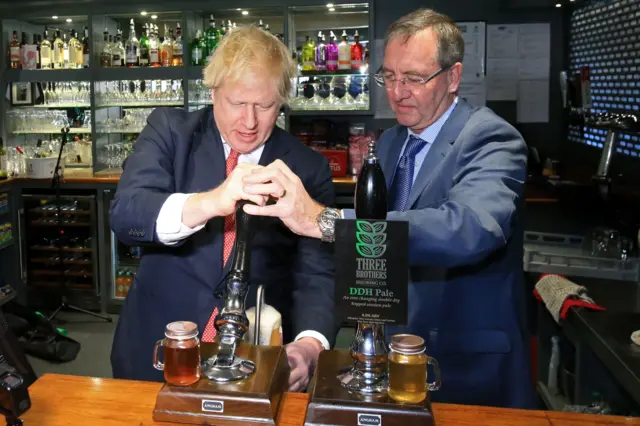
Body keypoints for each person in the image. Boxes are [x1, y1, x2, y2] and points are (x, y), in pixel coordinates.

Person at [241, 9, 535, 409]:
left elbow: (470, 228)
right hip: (392, 357)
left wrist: (328, 222)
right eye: (389, 77)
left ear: (453, 77)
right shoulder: (393, 143)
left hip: (465, 365)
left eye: (414, 78)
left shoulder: (491, 138)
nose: (397, 92)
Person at [109, 26, 336, 392]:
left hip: (258, 357)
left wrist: (310, 345)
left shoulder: (308, 167)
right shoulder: (169, 131)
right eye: (237, 103)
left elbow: (318, 272)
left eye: (264, 106)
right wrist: (213, 201)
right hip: (159, 348)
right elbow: (128, 215)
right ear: (213, 93)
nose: (249, 122)